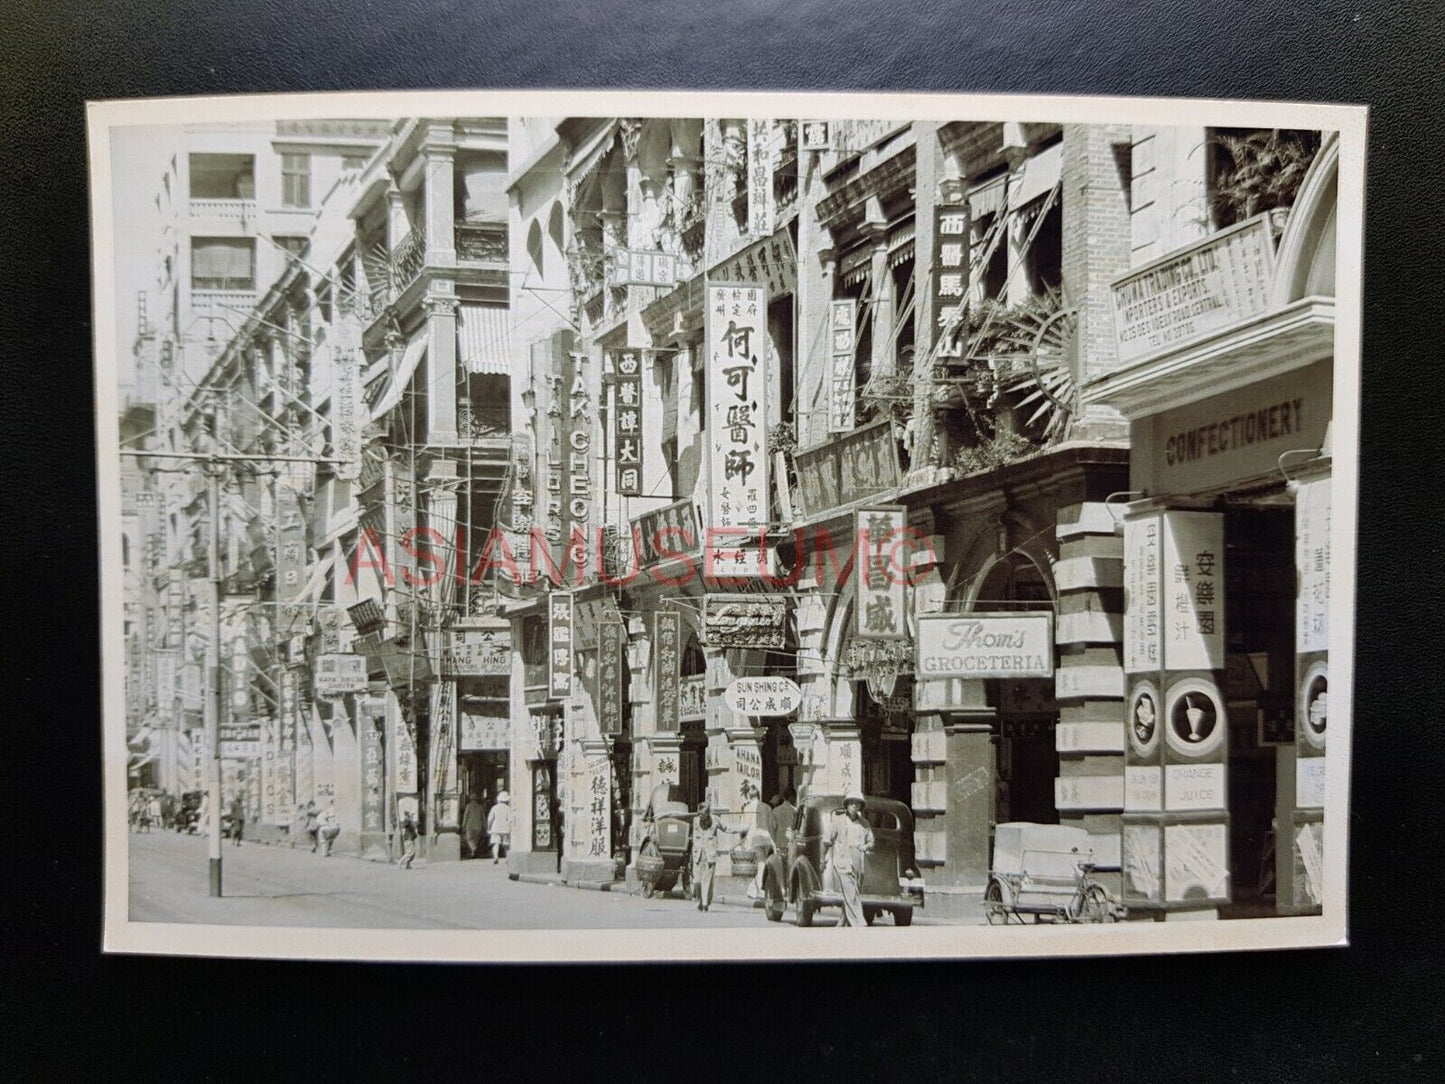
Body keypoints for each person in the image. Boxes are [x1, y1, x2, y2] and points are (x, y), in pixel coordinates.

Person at [822, 792, 874, 927]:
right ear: (847, 804)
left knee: (852, 892)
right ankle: (859, 924)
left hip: (858, 861)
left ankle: (840, 925)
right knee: (851, 893)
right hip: (843, 860)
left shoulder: (864, 823)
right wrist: (822, 859)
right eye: (851, 802)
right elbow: (827, 841)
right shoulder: (838, 821)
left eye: (857, 803)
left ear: (861, 806)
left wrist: (865, 846)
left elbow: (871, 841)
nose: (854, 805)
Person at [691, 801, 744, 913]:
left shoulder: (715, 820)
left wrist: (742, 829)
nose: (701, 817)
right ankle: (702, 900)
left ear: (708, 813)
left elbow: (727, 828)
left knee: (707, 880)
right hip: (698, 854)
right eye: (699, 814)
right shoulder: (695, 821)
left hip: (710, 854)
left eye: (703, 815)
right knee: (697, 881)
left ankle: (705, 903)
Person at [486, 791, 514, 864]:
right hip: (505, 828)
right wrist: (511, 828)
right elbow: (510, 820)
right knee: (506, 844)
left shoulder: (494, 808)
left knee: (496, 843)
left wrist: (489, 828)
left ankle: (496, 857)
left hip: (496, 827)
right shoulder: (509, 808)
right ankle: (507, 858)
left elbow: (490, 819)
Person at [462, 793, 486, 859]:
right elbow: (483, 817)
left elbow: (465, 816)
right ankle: (473, 852)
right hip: (478, 826)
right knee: (476, 839)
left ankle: (473, 849)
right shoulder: (480, 806)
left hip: (470, 825)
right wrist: (485, 825)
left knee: (469, 838)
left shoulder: (468, 806)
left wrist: (463, 825)